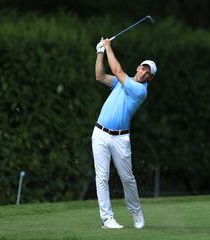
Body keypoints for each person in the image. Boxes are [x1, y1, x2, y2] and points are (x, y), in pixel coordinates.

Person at [92, 37, 157, 229]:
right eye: (143, 67)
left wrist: (109, 47)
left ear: (150, 78)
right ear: (138, 67)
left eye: (148, 72)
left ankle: (136, 211)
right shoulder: (123, 82)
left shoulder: (140, 91)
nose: (144, 72)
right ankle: (107, 219)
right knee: (101, 177)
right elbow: (100, 76)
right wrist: (100, 52)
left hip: (120, 137)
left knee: (127, 178)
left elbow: (118, 71)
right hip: (100, 134)